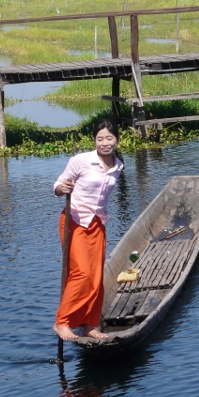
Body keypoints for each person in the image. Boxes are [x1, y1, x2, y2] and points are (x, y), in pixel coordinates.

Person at [53, 119, 123, 341]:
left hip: (97, 223)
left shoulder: (118, 166)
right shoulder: (81, 161)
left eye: (109, 138)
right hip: (74, 220)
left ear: (117, 140)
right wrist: (61, 188)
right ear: (94, 140)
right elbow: (57, 186)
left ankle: (89, 325)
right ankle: (62, 322)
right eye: (100, 138)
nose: (105, 143)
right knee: (81, 273)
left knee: (95, 277)